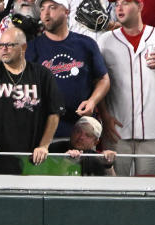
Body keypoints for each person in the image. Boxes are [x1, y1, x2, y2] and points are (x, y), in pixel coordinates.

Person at [99, 0, 155, 175]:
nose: (119, 8)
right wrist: (105, 117)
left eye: (125, 3)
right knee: (117, 191)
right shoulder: (105, 41)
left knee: (148, 189)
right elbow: (98, 83)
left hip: (153, 130)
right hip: (116, 131)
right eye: (116, 4)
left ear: (140, 6)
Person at [0, 25, 64, 173]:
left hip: (31, 159)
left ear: (23, 47)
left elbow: (54, 113)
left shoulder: (42, 75)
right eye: (1, 45)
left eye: (10, 45)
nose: (4, 49)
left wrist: (44, 145)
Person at [27, 0, 110, 138]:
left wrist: (92, 101)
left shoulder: (86, 44)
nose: (46, 13)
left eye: (52, 7)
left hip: (82, 130)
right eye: (42, 9)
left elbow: (103, 79)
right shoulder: (32, 47)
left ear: (66, 11)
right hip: (44, 131)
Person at [49, 114, 117, 174]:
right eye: (78, 131)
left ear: (96, 142)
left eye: (88, 135)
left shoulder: (97, 158)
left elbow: (113, 185)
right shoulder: (52, 149)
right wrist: (65, 164)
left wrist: (108, 166)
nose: (81, 137)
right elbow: (47, 180)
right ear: (72, 132)